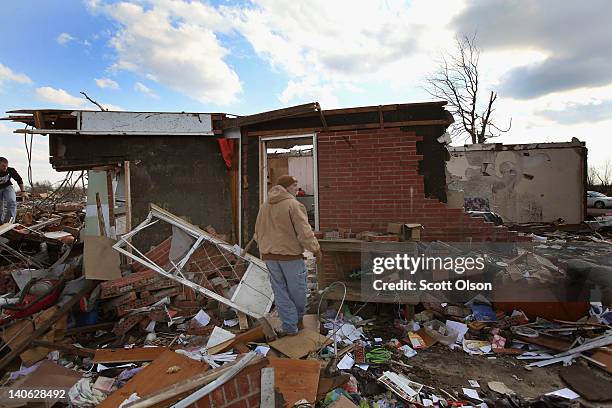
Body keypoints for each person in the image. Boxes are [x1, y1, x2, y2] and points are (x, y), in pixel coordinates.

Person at [255, 175, 321, 336]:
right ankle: (297, 321)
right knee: (298, 292)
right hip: (290, 257)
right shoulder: (293, 204)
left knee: (281, 293)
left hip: (270, 256)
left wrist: (264, 247)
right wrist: (316, 249)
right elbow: (304, 232)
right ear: (286, 187)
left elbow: (257, 232)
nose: (297, 188)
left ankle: (290, 327)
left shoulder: (264, 206)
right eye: (294, 185)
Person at [0, 157, 27, 223]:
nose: (5, 168)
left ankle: (10, 222)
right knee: (0, 207)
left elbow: (19, 180)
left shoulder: (10, 170)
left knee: (12, 201)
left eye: (6, 166)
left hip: (7, 187)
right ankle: (0, 222)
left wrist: (23, 191)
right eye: (3, 166)